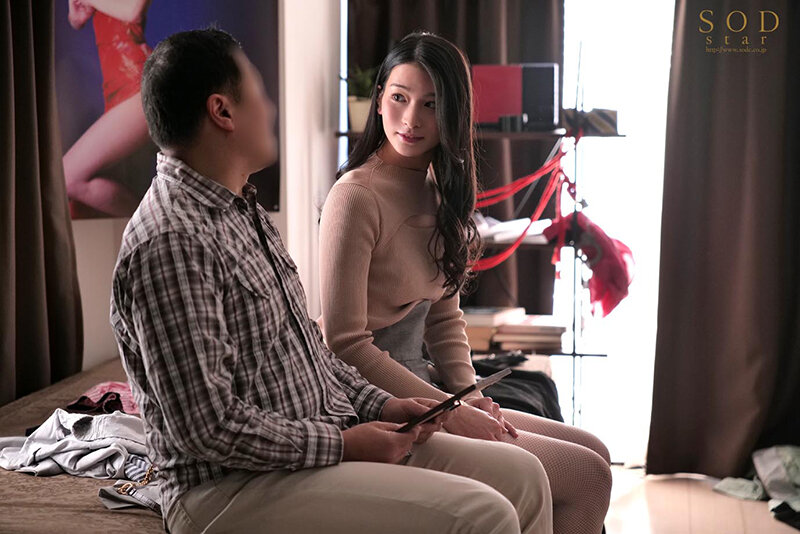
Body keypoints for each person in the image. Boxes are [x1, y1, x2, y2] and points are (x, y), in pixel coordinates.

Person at [110, 28, 553, 534]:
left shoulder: (242, 210)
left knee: (524, 477)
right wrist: (343, 444)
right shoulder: (172, 241)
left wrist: (387, 405)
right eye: (259, 93)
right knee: (487, 512)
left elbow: (314, 354)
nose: (271, 110)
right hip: (231, 487)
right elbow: (207, 428)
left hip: (317, 442)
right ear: (223, 112)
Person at [318, 31, 611, 534]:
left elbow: (444, 317)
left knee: (595, 451)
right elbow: (344, 343)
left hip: (429, 391)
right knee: (586, 476)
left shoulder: (438, 189)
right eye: (399, 98)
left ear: (453, 112)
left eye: (431, 104)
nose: (411, 119)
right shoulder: (355, 196)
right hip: (374, 406)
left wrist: (469, 395)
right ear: (380, 98)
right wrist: (450, 412)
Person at [64, 0, 155, 217]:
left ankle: (155, 227)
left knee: (68, 179)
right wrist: (77, 13)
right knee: (79, 202)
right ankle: (154, 227)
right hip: (114, 91)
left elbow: (133, 12)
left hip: (137, 85)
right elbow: (76, 20)